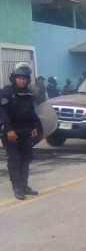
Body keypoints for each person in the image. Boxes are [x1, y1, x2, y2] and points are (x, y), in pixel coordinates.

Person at [0, 63, 43, 200]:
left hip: (25, 131)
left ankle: (24, 186)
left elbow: (31, 112)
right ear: (14, 78)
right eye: (19, 78)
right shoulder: (7, 92)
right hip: (11, 132)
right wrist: (9, 130)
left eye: (24, 78)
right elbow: (3, 113)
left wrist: (36, 126)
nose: (22, 80)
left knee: (25, 159)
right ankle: (17, 188)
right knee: (15, 159)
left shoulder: (28, 93)